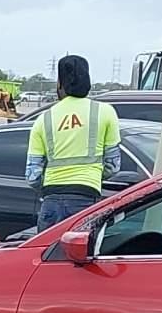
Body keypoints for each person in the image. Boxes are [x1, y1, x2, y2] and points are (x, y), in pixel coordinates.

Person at [28, 55, 121, 228]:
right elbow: (112, 165)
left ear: (59, 84)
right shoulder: (105, 112)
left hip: (51, 202)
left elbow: (32, 175)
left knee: (47, 253)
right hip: (86, 199)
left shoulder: (43, 119)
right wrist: (90, 177)